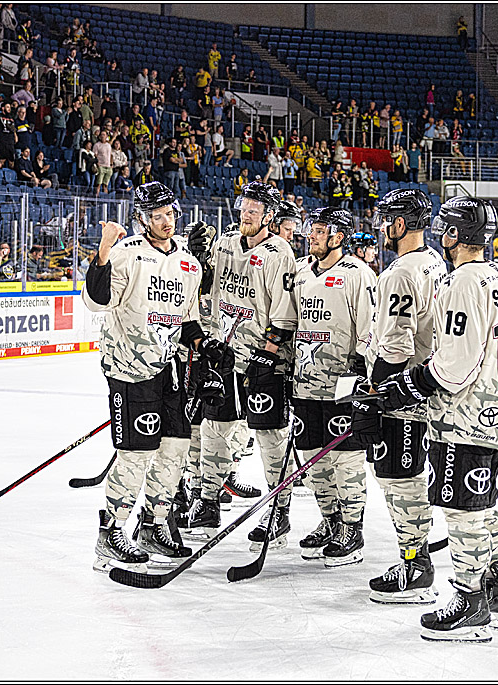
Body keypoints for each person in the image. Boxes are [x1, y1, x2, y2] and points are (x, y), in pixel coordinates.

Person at [369, 196, 498, 642]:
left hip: (465, 413)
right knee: (483, 505)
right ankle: (494, 591)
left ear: (455, 234)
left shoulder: (463, 284)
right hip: (497, 407)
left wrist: (408, 385)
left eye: (446, 227)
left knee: (462, 508)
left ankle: (469, 601)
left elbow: (453, 365)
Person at [82, 181, 229, 572]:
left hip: (171, 370)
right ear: (142, 219)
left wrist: (205, 347)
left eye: (170, 214)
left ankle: (153, 523)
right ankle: (111, 534)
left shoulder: (188, 263)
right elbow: (97, 302)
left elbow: (189, 320)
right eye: (157, 216)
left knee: (176, 448)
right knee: (135, 454)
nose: (166, 221)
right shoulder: (127, 254)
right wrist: (102, 252)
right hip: (129, 369)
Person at [180, 182, 298, 550]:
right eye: (243, 207)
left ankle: (279, 507)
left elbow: (285, 312)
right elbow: (204, 283)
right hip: (223, 356)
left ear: (268, 216)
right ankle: (209, 501)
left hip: (261, 361)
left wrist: (268, 354)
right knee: (216, 428)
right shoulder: (227, 244)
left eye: (253, 210)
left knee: (270, 436)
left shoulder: (280, 253)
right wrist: (196, 255)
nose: (245, 214)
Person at [351, 188, 448, 605]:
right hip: (426, 387)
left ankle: (415, 564)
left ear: (401, 224)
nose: (381, 226)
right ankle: (417, 552)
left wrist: (374, 393)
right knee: (406, 476)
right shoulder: (434, 262)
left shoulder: (399, 273)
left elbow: (396, 345)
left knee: (398, 477)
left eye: (386, 218)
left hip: (402, 394)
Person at [289, 207, 376, 567]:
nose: (312, 236)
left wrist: (360, 368)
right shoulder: (300, 271)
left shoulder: (359, 274)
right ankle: (331, 520)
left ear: (338, 236)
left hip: (342, 384)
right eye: (312, 229)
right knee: (312, 457)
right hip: (304, 381)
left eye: (320, 230)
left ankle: (352, 528)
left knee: (346, 457)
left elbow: (370, 327)